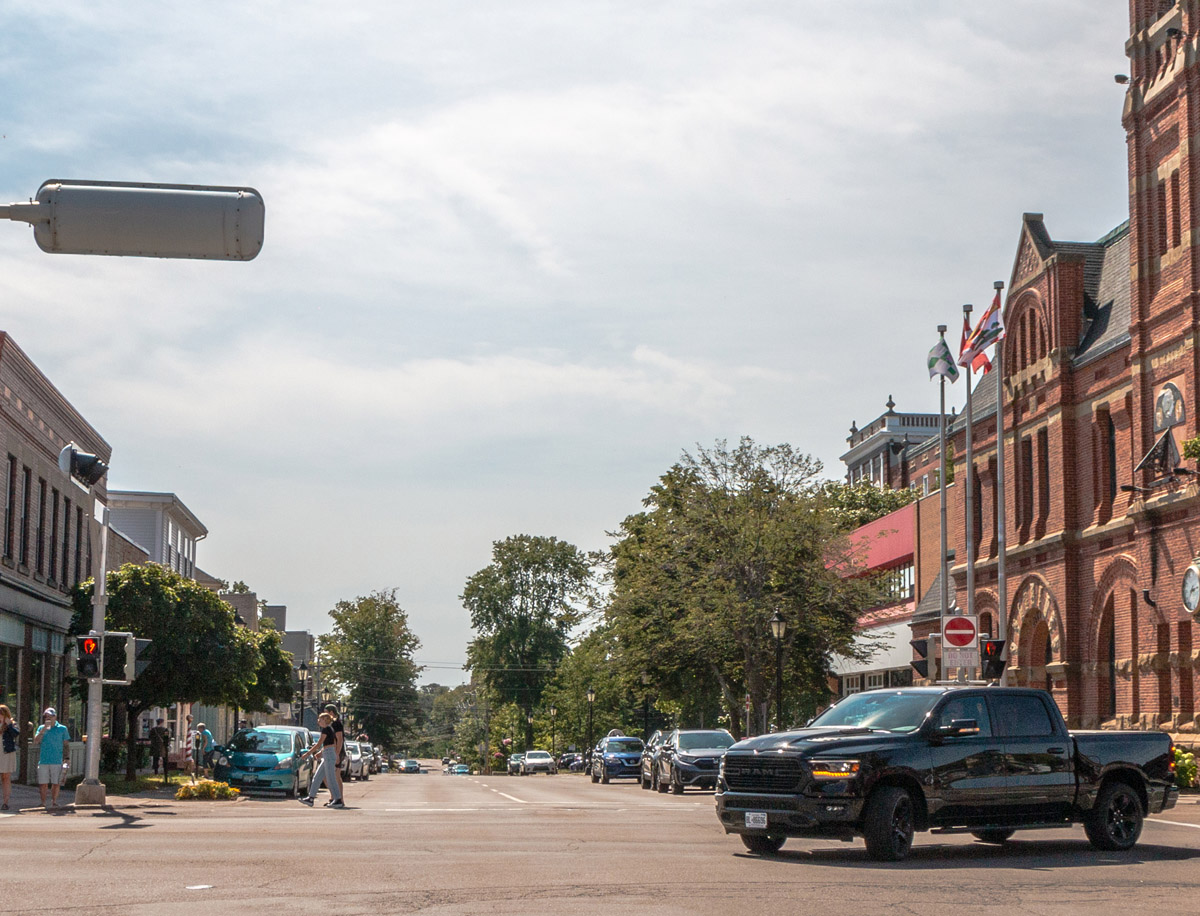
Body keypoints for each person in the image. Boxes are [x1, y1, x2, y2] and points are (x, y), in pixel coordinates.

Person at [299, 712, 343, 808]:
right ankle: (311, 798)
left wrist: (307, 754)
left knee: (331, 778)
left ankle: (338, 799)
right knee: (317, 776)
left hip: (329, 755)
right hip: (327, 753)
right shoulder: (329, 729)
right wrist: (322, 753)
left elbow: (319, 744)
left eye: (320, 719)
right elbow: (331, 744)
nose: (318, 721)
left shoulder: (326, 729)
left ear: (325, 720)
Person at [32, 708, 70, 809]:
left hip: (56, 760)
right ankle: (43, 802)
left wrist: (67, 758)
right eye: (46, 717)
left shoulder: (62, 728)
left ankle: (54, 801)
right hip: (44, 760)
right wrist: (43, 730)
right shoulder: (41, 728)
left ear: (55, 717)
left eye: (50, 716)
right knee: (43, 783)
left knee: (56, 783)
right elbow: (36, 741)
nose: (48, 718)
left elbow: (66, 744)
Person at [324, 704, 345, 799]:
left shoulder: (337, 724)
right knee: (325, 776)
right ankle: (334, 796)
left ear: (331, 712)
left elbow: (339, 739)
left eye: (326, 712)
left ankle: (339, 798)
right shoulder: (330, 724)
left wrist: (337, 754)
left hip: (337, 752)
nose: (324, 715)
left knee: (336, 776)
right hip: (330, 751)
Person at [0, 705, 18, 810]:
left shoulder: (12, 724)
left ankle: (5, 802)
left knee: (6, 777)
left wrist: (8, 724)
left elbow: (15, 734)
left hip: (7, 753)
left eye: (1, 713)